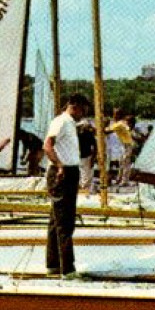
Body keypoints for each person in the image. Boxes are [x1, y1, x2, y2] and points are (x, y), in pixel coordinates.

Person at [43, 93, 89, 276]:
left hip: (70, 171)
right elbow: (47, 146)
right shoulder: (61, 121)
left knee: (56, 221)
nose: (83, 115)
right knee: (65, 222)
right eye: (83, 110)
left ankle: (53, 264)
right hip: (62, 173)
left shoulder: (70, 123)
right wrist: (59, 165)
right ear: (74, 106)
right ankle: (68, 269)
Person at [77, 120, 98, 196]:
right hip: (82, 156)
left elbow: (95, 147)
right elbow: (95, 146)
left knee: (86, 174)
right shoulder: (82, 134)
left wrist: (93, 158)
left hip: (85, 156)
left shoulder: (86, 134)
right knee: (86, 174)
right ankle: (84, 189)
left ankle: (85, 189)